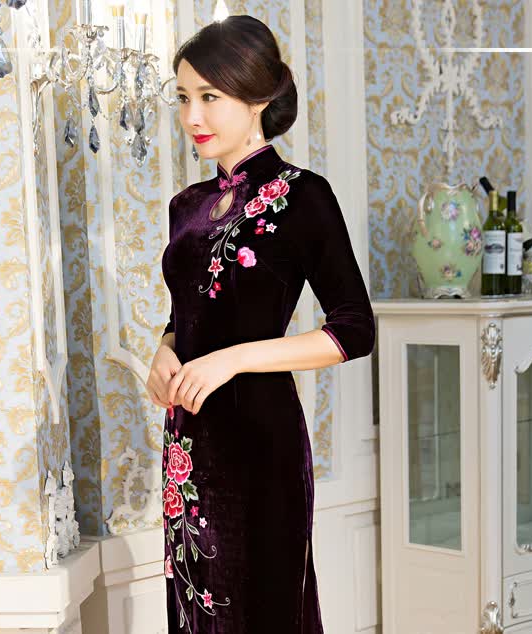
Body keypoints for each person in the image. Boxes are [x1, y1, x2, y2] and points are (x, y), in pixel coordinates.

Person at [148, 14, 375, 633]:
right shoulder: (186, 207)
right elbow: (189, 310)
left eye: (210, 97)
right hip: (189, 443)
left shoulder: (304, 195)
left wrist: (233, 359)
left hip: (259, 442)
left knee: (264, 613)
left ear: (258, 98)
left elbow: (355, 328)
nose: (192, 116)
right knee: (196, 614)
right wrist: (164, 351)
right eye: (184, 98)